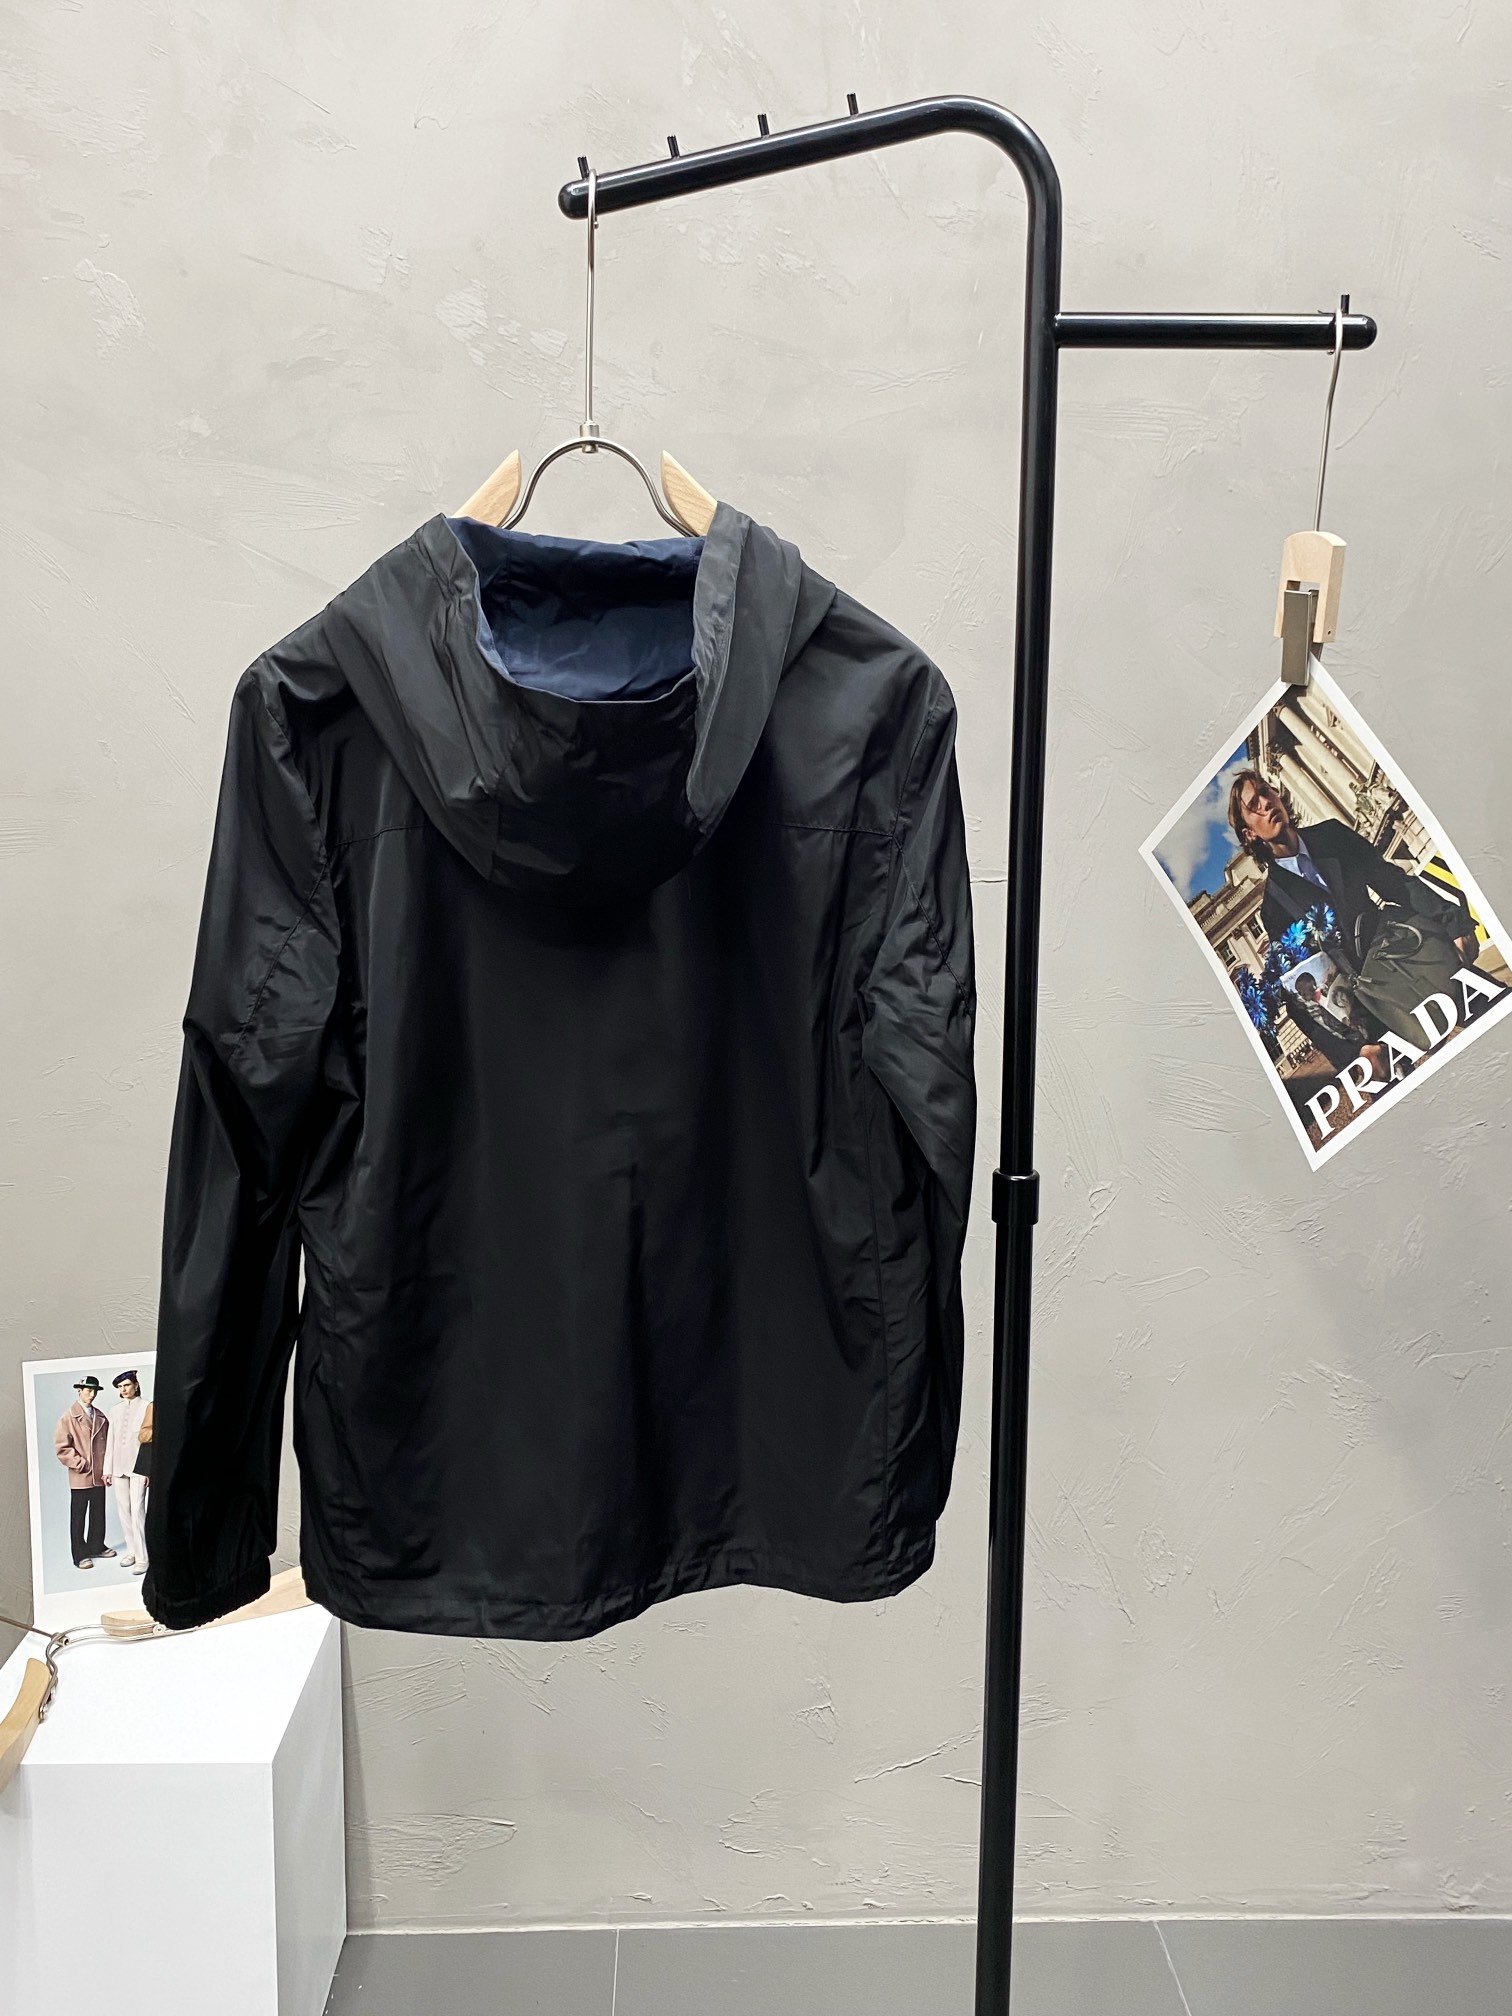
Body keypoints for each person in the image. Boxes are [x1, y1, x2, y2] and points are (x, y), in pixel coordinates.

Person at [1229, 769, 1481, 1050]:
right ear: (1249, 834)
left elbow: (1393, 881)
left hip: (1412, 953)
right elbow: (1302, 992)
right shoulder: (1274, 907)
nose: (1265, 803)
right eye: (1254, 805)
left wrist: (1454, 922)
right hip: (1377, 1011)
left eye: (1265, 791)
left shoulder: (1332, 834)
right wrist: (1356, 1052)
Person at [53, 1375, 117, 1571]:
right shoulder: (68, 1417)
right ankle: (79, 1554)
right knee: (78, 1516)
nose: (92, 1394)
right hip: (81, 1475)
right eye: (88, 1390)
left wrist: (107, 1468)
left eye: (95, 1390)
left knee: (98, 1513)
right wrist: (80, 1463)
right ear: (79, 1391)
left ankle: (96, 1545)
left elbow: (109, 1444)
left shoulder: (101, 1416)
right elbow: (62, 1447)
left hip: (99, 1475)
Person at [104, 1369, 150, 1574]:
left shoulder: (147, 1406)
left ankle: (143, 1557)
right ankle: (131, 1551)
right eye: (120, 1387)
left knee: (137, 1510)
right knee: (124, 1510)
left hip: (139, 1467)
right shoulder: (115, 1410)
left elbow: (150, 1442)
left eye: (127, 1385)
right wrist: (107, 1470)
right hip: (118, 1467)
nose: (123, 1389)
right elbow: (111, 1442)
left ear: (136, 1385)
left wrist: (148, 1470)